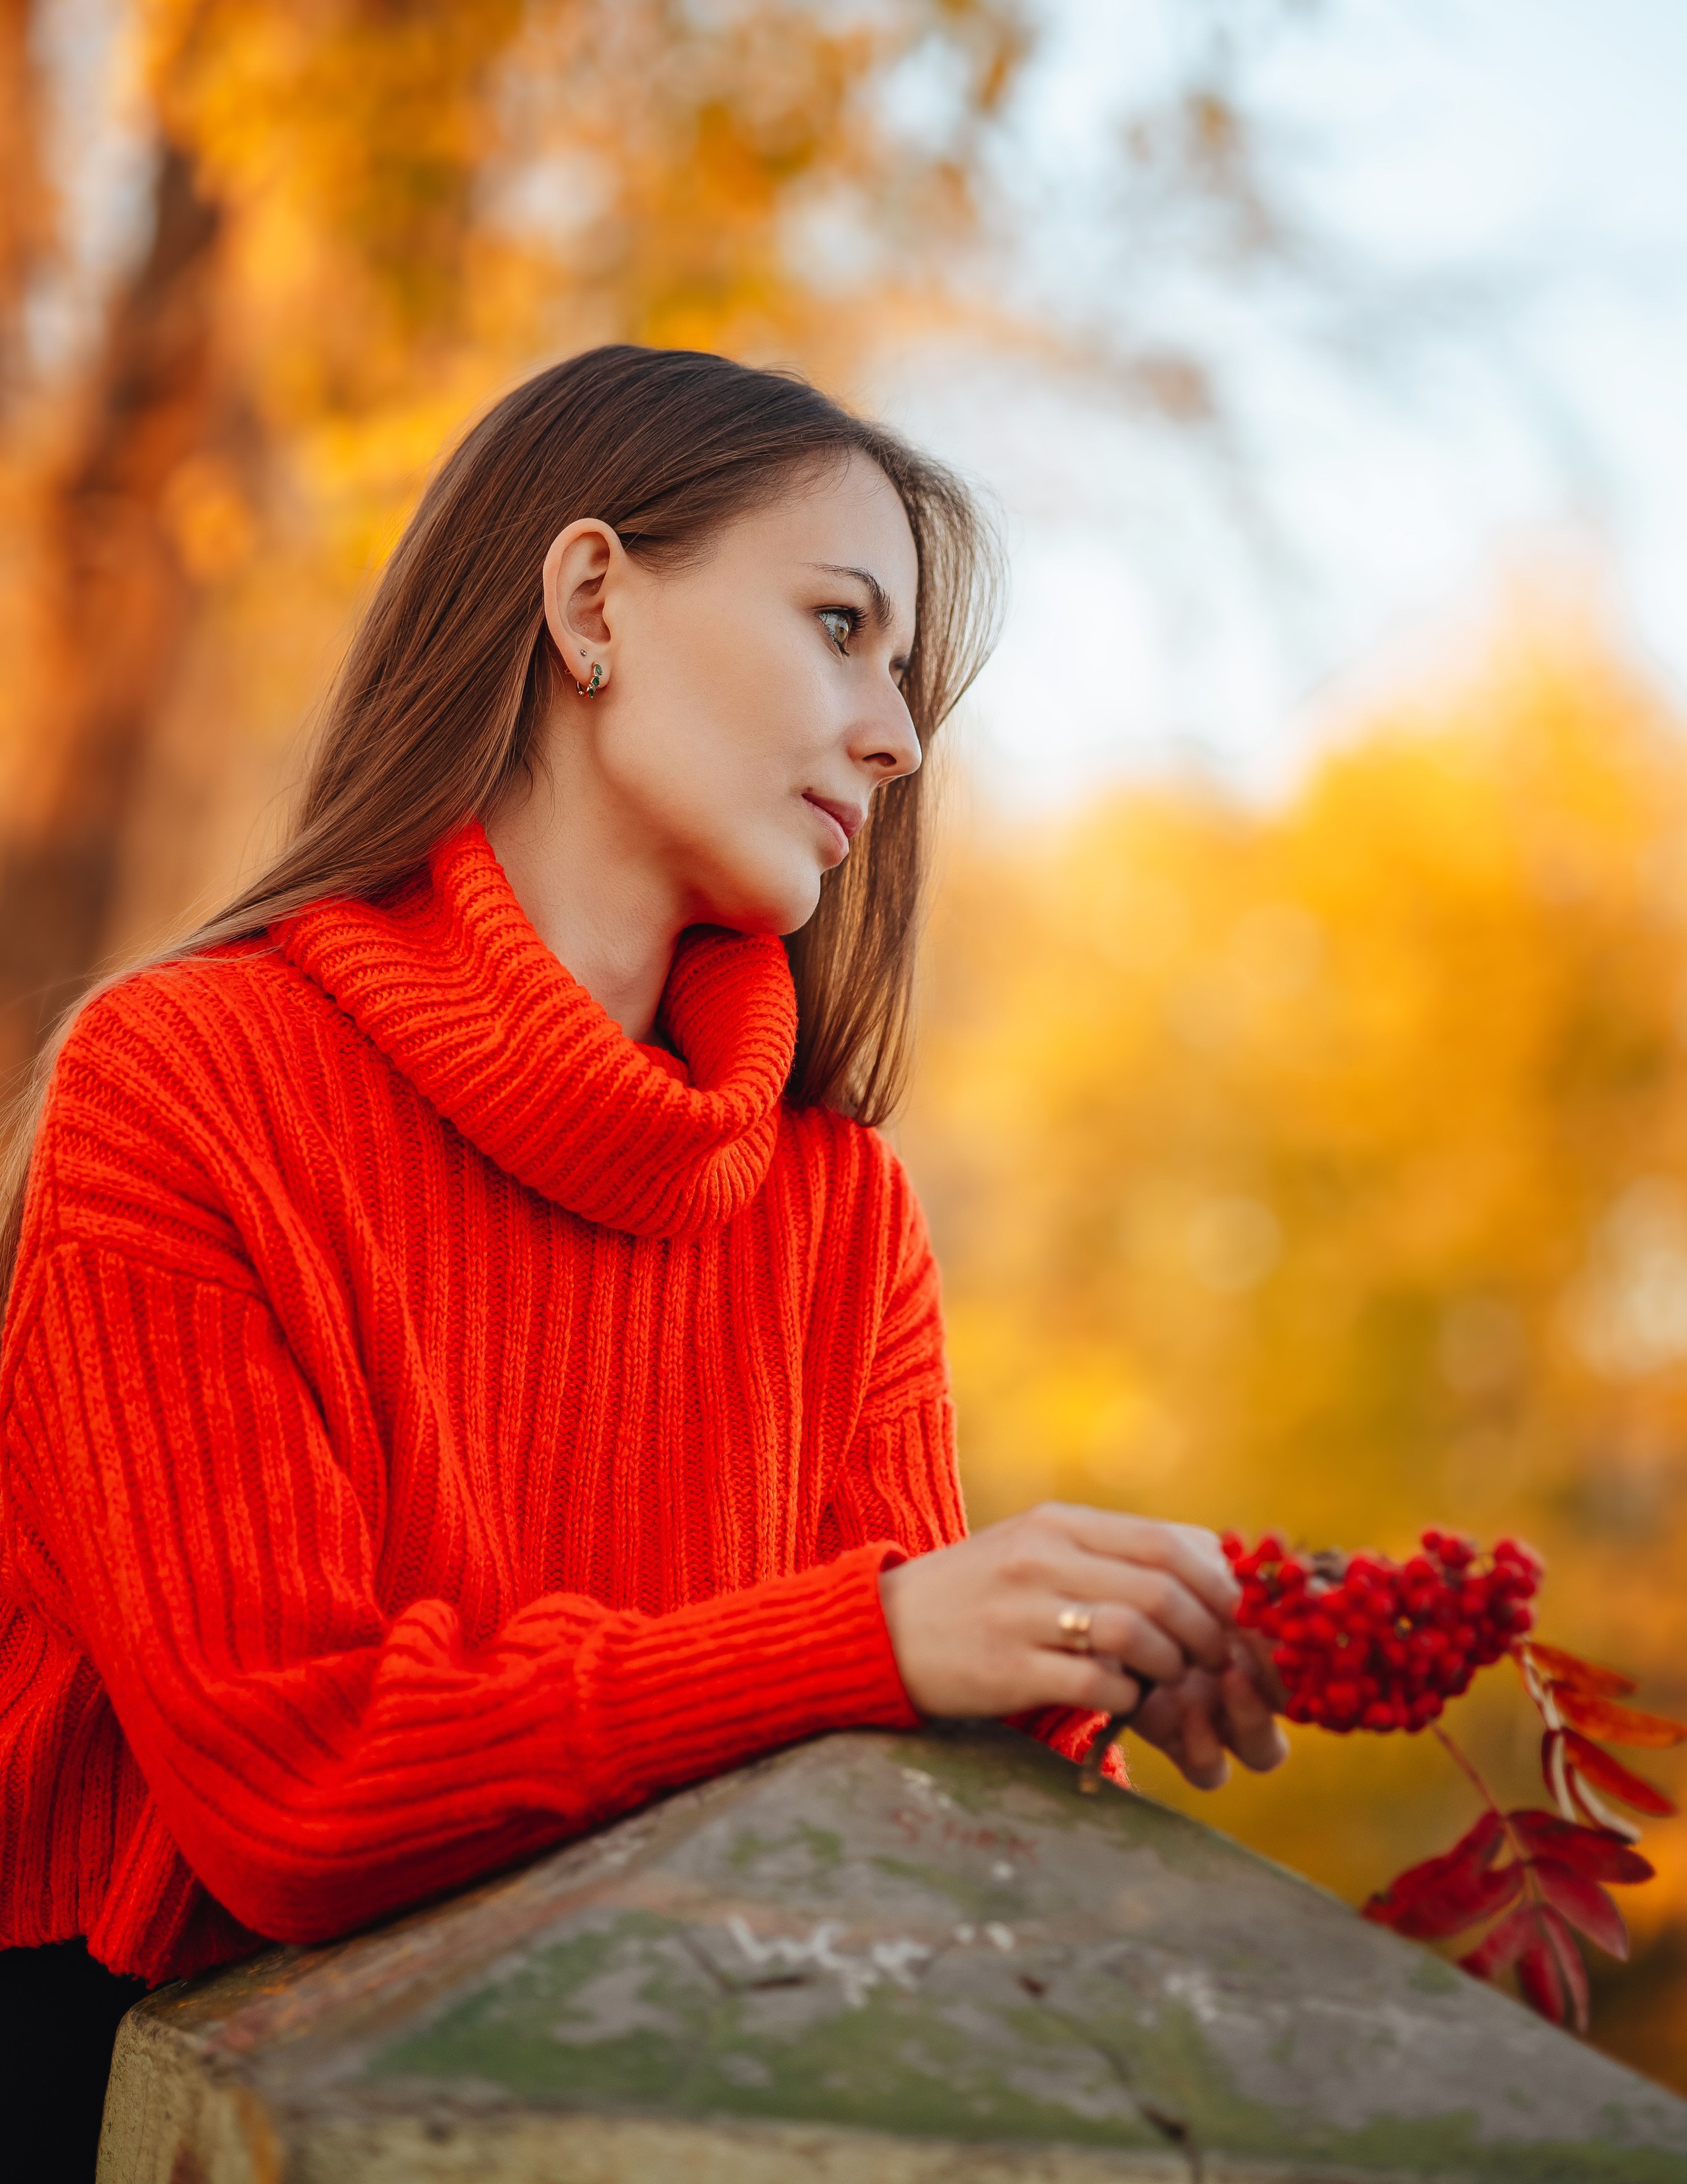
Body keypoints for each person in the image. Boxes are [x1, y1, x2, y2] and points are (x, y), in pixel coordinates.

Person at [0, 346, 1285, 2173]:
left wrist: (1067, 1684)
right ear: (592, 599)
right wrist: (894, 1635)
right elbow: (293, 1786)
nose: (899, 737)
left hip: (654, 2107)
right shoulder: (187, 1081)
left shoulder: (838, 1213)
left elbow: (869, 1796)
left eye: (907, 677)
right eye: (843, 625)